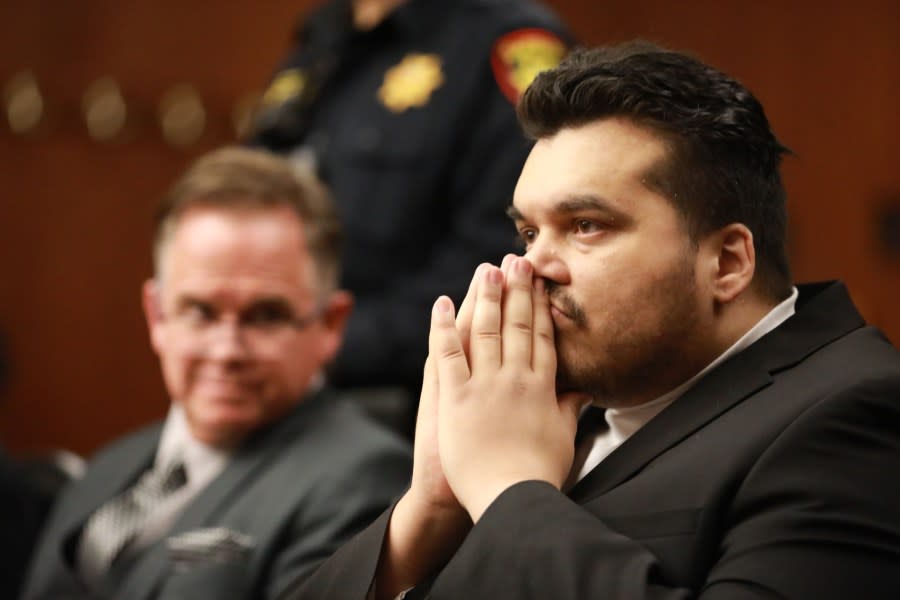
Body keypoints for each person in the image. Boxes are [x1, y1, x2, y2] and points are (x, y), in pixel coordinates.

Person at [289, 42, 900, 599]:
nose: (532, 266)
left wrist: (508, 492)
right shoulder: (551, 409)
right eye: (528, 232)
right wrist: (431, 507)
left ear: (727, 261)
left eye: (586, 225)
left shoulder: (859, 411)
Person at [21, 147, 412, 599]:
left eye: (266, 315)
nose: (227, 350)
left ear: (330, 324)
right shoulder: (112, 466)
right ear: (157, 316)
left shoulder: (362, 480)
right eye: (200, 311)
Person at [251, 0, 572, 434]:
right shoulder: (326, 33)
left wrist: (322, 343)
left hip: (404, 414)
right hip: (272, 381)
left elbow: (507, 257)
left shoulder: (507, 40)